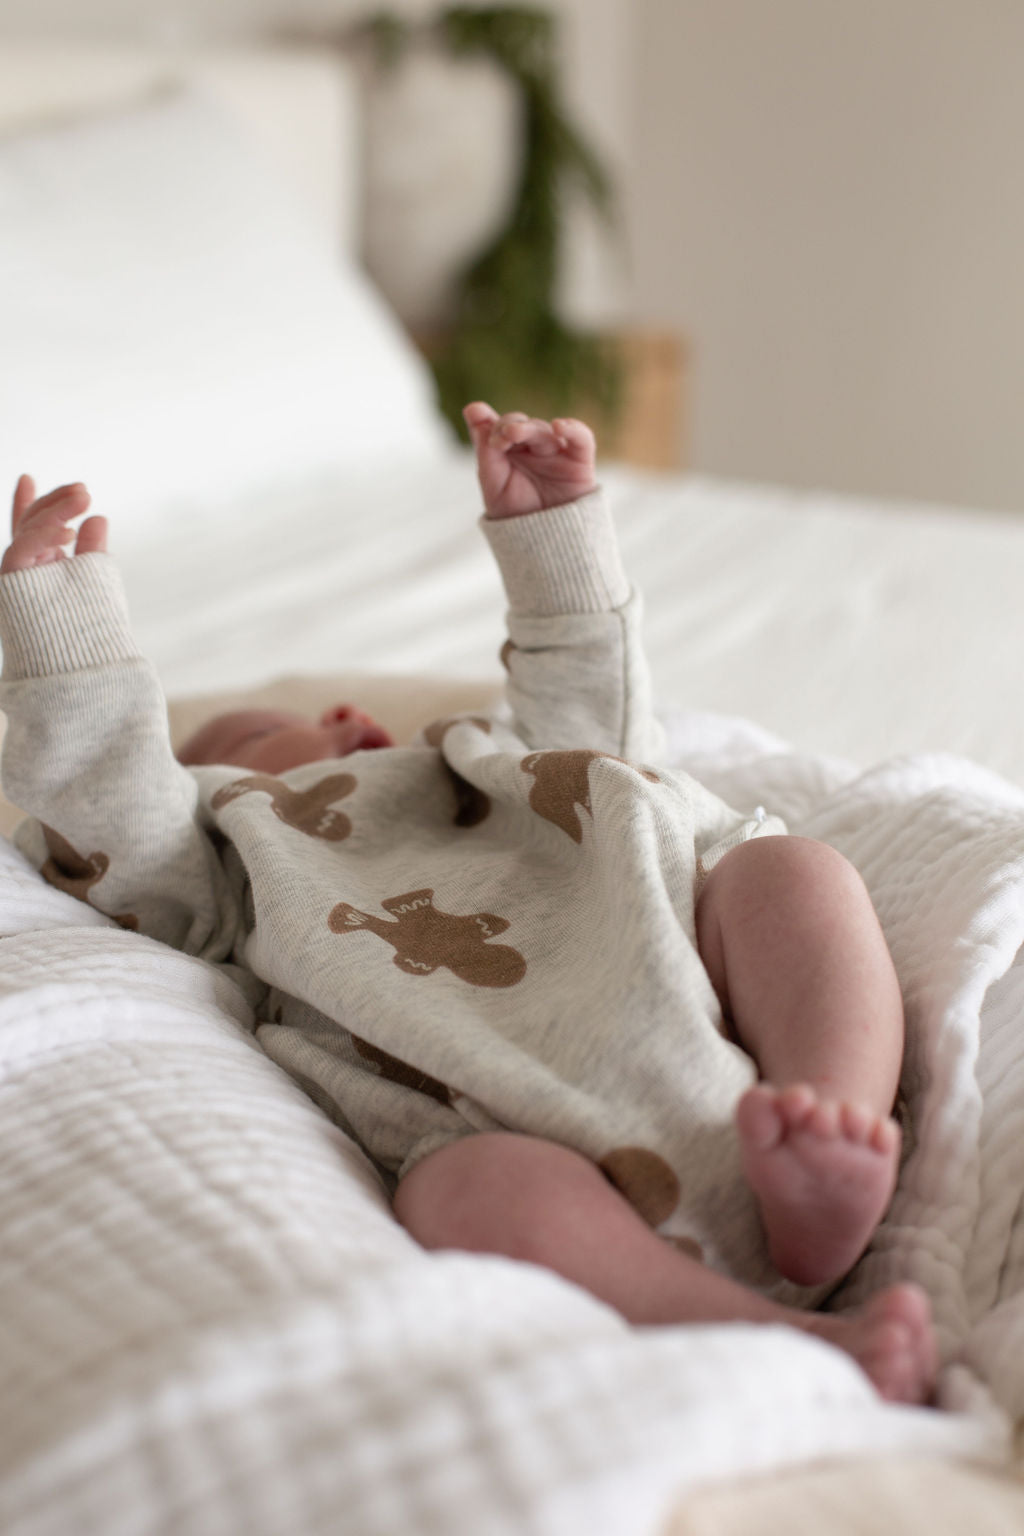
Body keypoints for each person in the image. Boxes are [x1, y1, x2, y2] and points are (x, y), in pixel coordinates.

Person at [0, 401, 935, 1404]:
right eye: (265, 729)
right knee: (458, 1189)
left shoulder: (484, 764)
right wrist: (67, 646)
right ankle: (770, 1328)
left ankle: (832, 1119)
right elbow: (117, 815)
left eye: (336, 713)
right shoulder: (230, 864)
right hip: (533, 1134)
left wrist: (551, 532)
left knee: (786, 873)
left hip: (697, 1024)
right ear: (207, 787)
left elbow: (596, 731)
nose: (344, 717)